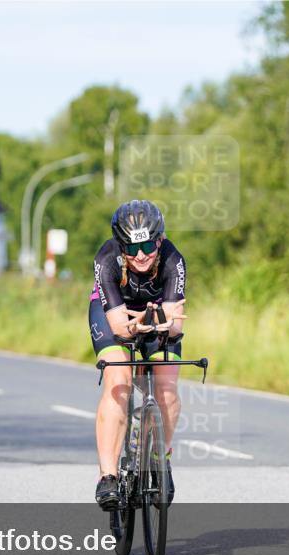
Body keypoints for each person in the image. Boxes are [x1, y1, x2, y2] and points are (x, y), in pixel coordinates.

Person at [90, 200, 186, 510]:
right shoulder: (106, 260)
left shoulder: (173, 260)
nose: (141, 254)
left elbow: (172, 321)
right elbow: (118, 326)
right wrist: (141, 323)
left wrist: (160, 323)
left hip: (155, 317)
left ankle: (161, 458)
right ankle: (108, 477)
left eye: (147, 244)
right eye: (131, 248)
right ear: (120, 247)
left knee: (167, 391)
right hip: (113, 313)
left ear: (159, 240)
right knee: (118, 379)